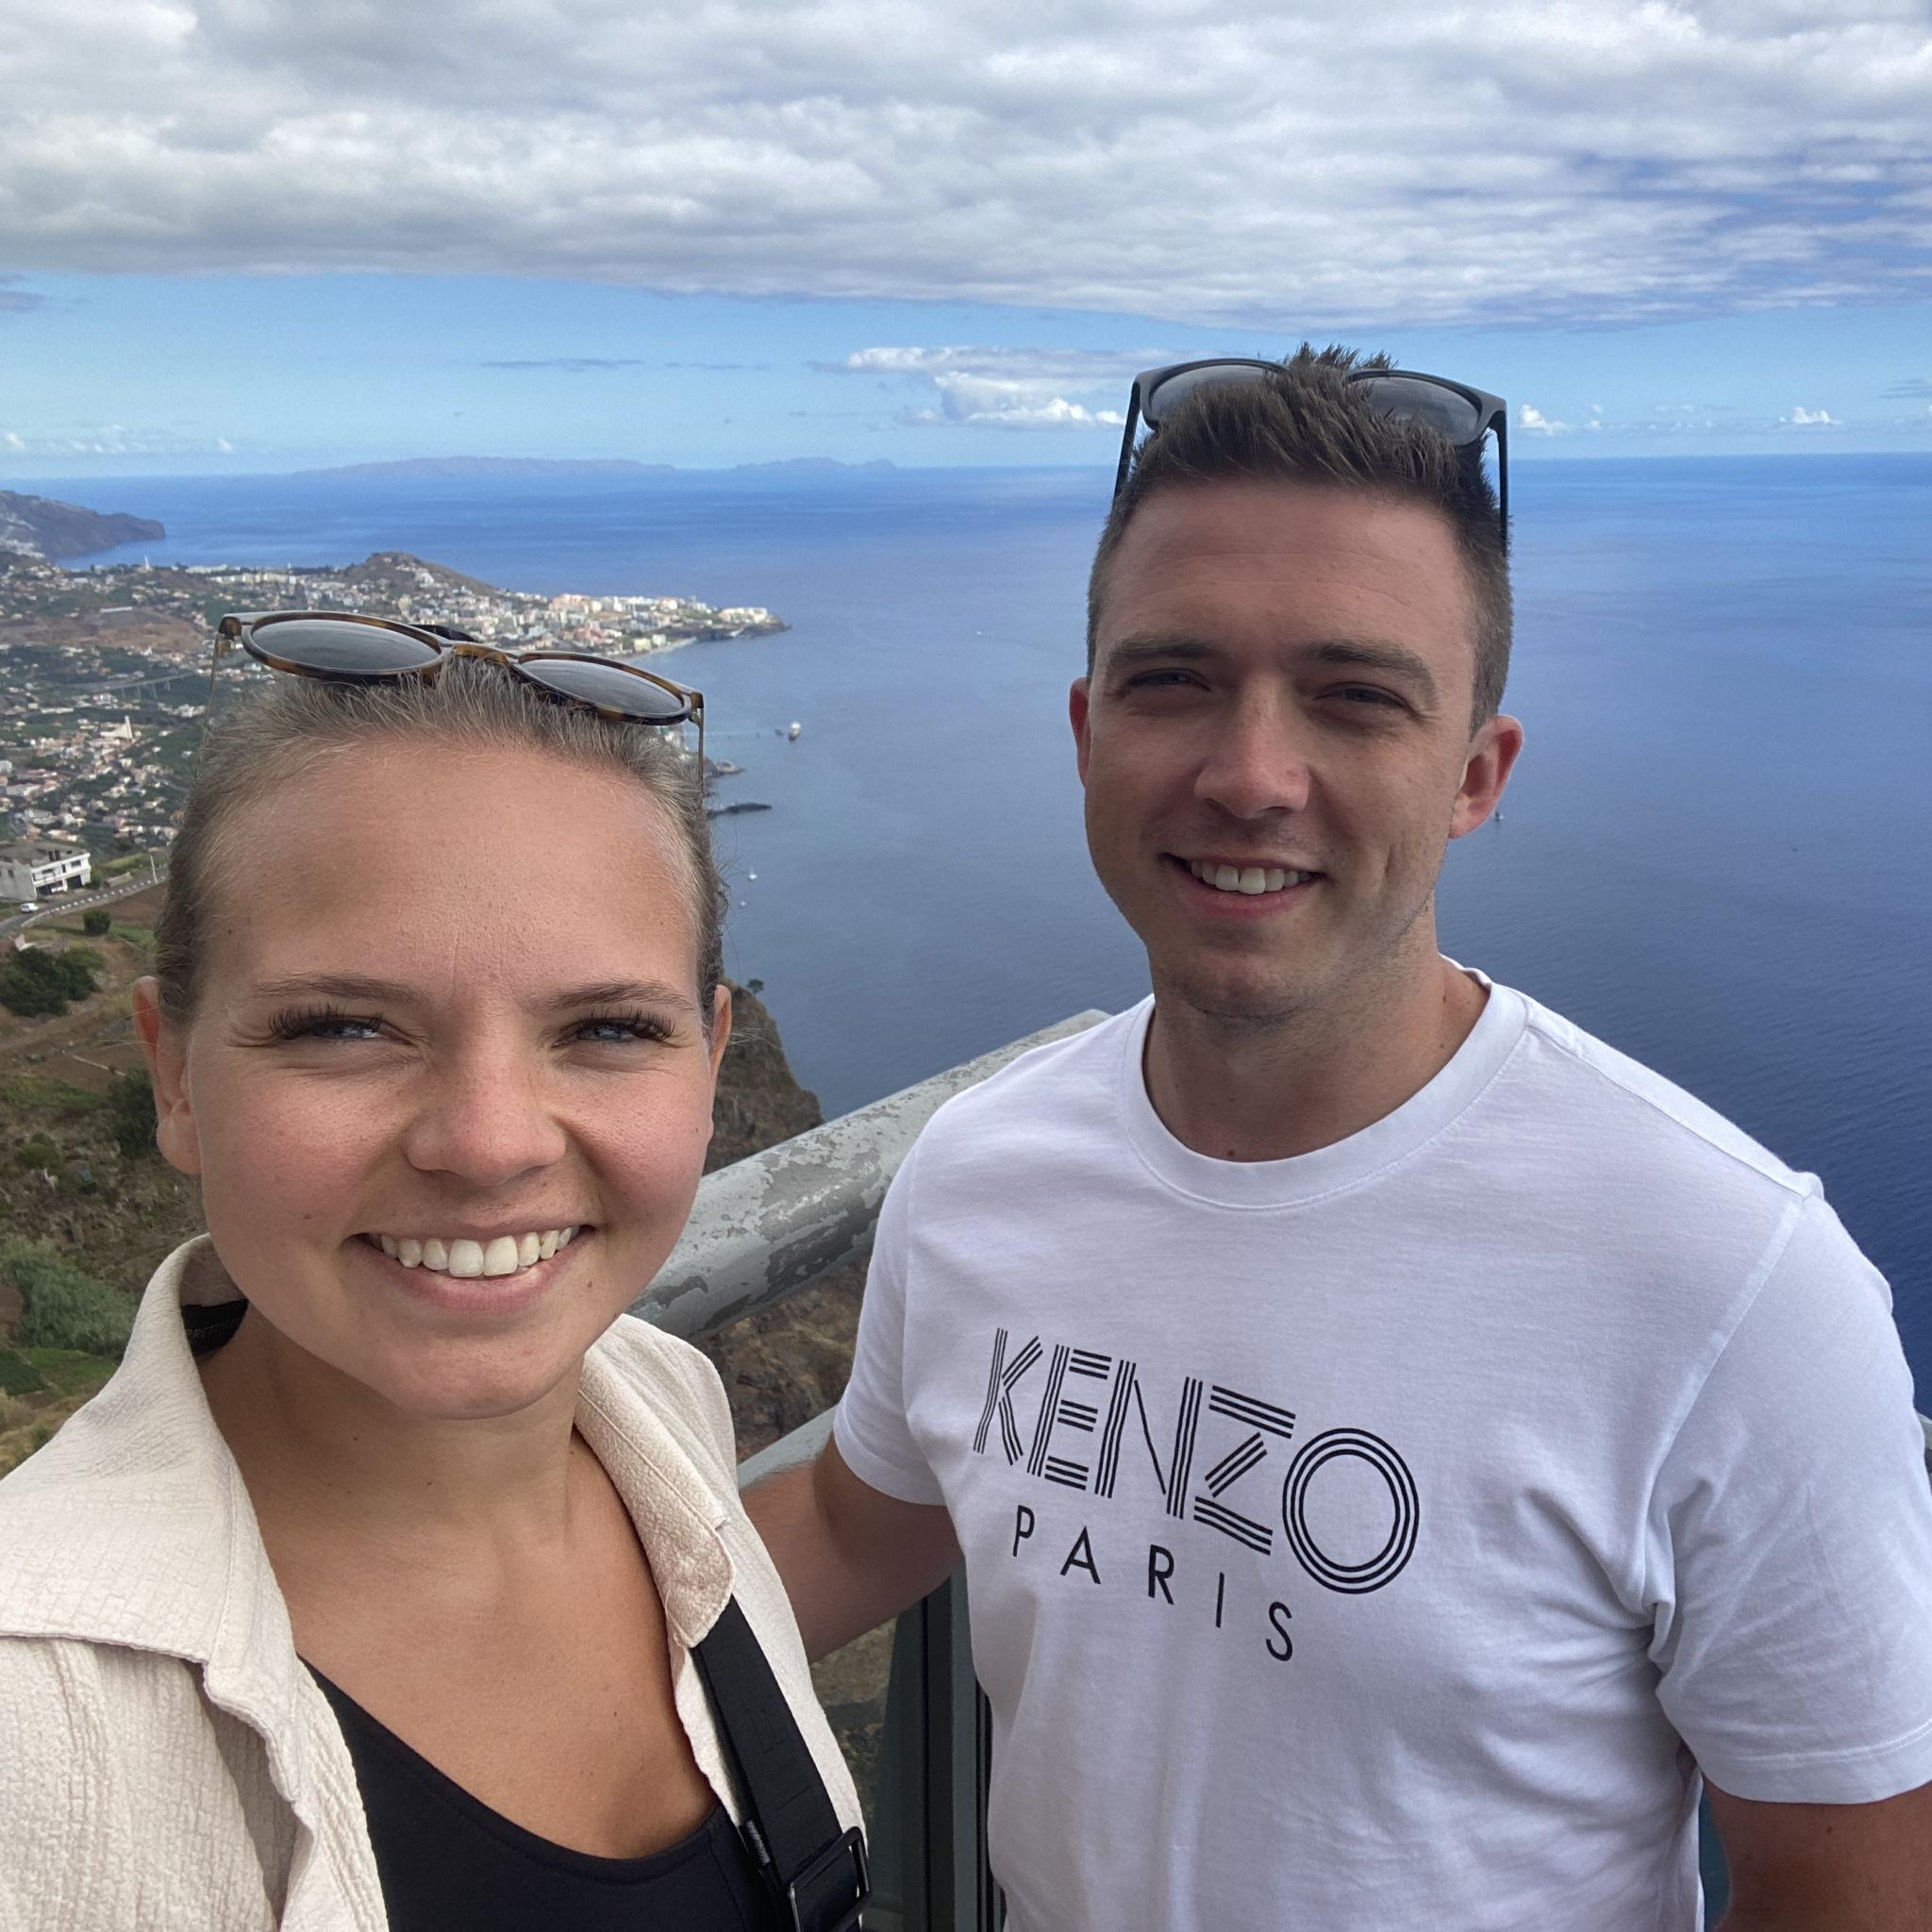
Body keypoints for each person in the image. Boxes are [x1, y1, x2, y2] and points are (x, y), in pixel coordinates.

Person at [747, 346, 1932, 1929]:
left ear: (1474, 776)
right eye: (1174, 682)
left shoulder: (1730, 1281)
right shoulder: (979, 1171)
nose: (1250, 775)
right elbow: (852, 1525)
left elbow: (1851, 1886)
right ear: (1088, 732)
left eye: (1356, 697)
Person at [0, 631, 863, 1931]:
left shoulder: (663, 1405)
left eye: (607, 1028)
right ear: (172, 1073)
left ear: (709, 1056)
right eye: (346, 1027)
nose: (488, 1142)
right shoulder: (35, 1715)